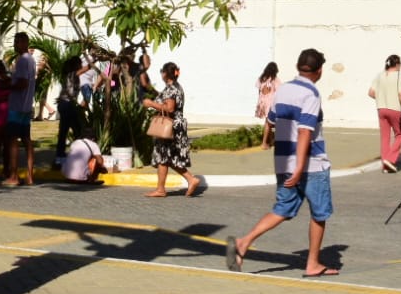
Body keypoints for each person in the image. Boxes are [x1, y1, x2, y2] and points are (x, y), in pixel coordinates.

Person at [227, 48, 337, 277]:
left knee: (283, 209)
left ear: (298, 67)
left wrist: (269, 146)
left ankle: (243, 242)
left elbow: (271, 120)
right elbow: (306, 132)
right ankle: (313, 263)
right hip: (310, 164)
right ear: (319, 71)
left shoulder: (284, 89)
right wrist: (299, 168)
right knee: (319, 213)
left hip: (282, 162)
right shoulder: (311, 94)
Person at [142, 61, 203, 197]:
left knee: (164, 156)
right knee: (167, 158)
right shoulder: (176, 87)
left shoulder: (171, 89)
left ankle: (163, 188)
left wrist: (151, 103)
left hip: (170, 126)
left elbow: (170, 108)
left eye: (162, 73)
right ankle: (188, 180)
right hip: (175, 125)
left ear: (165, 74)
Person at [1, 32, 37, 187]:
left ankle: (14, 176)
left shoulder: (22, 60)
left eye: (18, 41)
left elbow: (22, 83)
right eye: (15, 41)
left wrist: (8, 85)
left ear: (25, 43)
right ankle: (29, 176)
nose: (15, 44)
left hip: (17, 106)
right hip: (27, 106)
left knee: (13, 140)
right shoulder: (31, 60)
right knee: (27, 141)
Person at [369, 53, 401, 172]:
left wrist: (381, 98)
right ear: (396, 64)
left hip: (381, 109)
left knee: (385, 138)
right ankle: (391, 159)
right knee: (400, 135)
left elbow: (371, 93)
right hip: (395, 109)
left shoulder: (379, 76)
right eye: (400, 64)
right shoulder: (398, 75)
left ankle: (385, 165)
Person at [255, 62, 279, 149]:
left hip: (262, 102)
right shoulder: (275, 80)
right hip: (271, 103)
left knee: (270, 122)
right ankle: (264, 143)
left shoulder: (261, 79)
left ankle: (271, 140)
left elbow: (259, 91)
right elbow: (278, 92)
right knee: (269, 123)